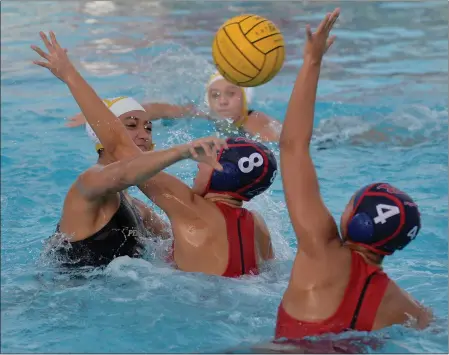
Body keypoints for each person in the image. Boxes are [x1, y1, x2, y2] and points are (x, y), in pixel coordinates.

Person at [32, 30, 277, 277]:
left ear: (219, 172)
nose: (144, 134)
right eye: (131, 125)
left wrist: (69, 75)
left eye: (148, 127)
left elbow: (120, 148)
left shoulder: (184, 208)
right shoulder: (258, 227)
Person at [275, 8, 433, 339]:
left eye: (350, 204)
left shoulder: (320, 249)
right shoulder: (409, 309)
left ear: (356, 220)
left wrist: (312, 62)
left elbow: (292, 147)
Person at [66, 73, 282, 142]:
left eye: (231, 94)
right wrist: (101, 113)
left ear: (245, 98)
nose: (222, 101)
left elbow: (283, 143)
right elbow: (157, 109)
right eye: (215, 95)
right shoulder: (207, 116)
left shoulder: (255, 120)